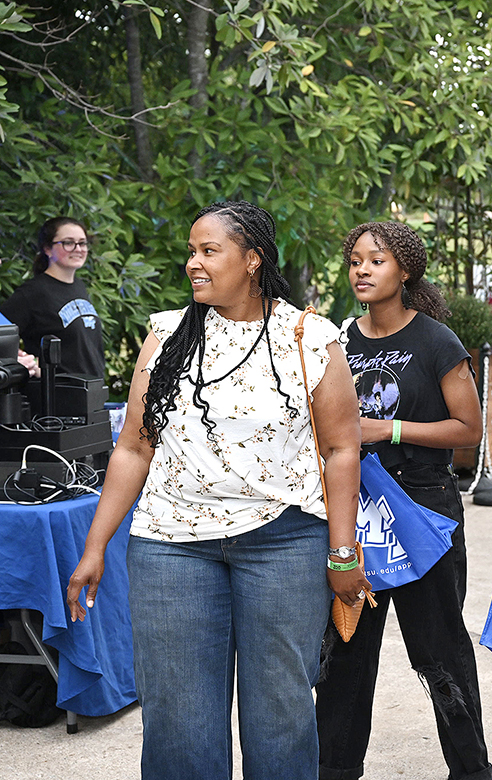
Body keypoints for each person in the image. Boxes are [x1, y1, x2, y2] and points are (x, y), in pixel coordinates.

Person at [65, 201, 368, 780]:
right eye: (191, 251)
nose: (193, 264)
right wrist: (96, 544)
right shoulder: (165, 336)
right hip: (169, 545)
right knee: (177, 719)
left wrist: (342, 552)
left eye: (209, 251)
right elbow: (133, 446)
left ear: (252, 260)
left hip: (283, 541)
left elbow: (341, 449)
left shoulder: (308, 337)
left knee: (279, 714)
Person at [315, 221, 492, 780]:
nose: (362, 270)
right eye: (355, 261)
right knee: (344, 656)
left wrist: (387, 430)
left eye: (377, 260)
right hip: (354, 513)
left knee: (439, 655)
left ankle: (471, 772)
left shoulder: (436, 340)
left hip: (422, 512)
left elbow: (470, 430)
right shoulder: (342, 339)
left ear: (406, 270)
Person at [0, 217, 104, 378]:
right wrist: (24, 362)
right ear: (47, 248)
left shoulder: (79, 286)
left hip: (93, 394)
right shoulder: (33, 292)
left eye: (82, 243)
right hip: (57, 396)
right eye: (68, 242)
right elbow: (3, 335)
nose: (78, 249)